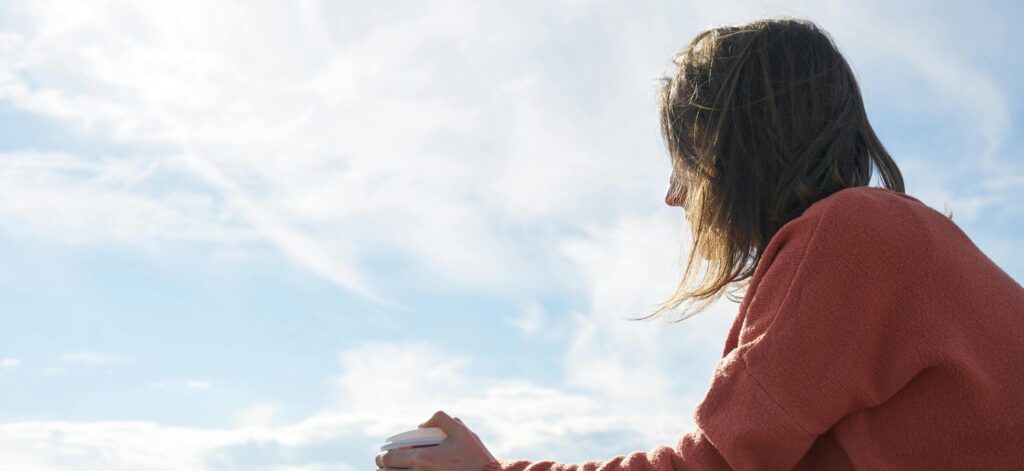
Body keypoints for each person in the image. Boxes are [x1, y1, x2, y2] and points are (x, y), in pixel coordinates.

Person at [376, 18, 1024, 471]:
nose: (675, 196)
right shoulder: (906, 242)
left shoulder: (850, 235)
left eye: (686, 162)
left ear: (735, 152)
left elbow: (711, 466)